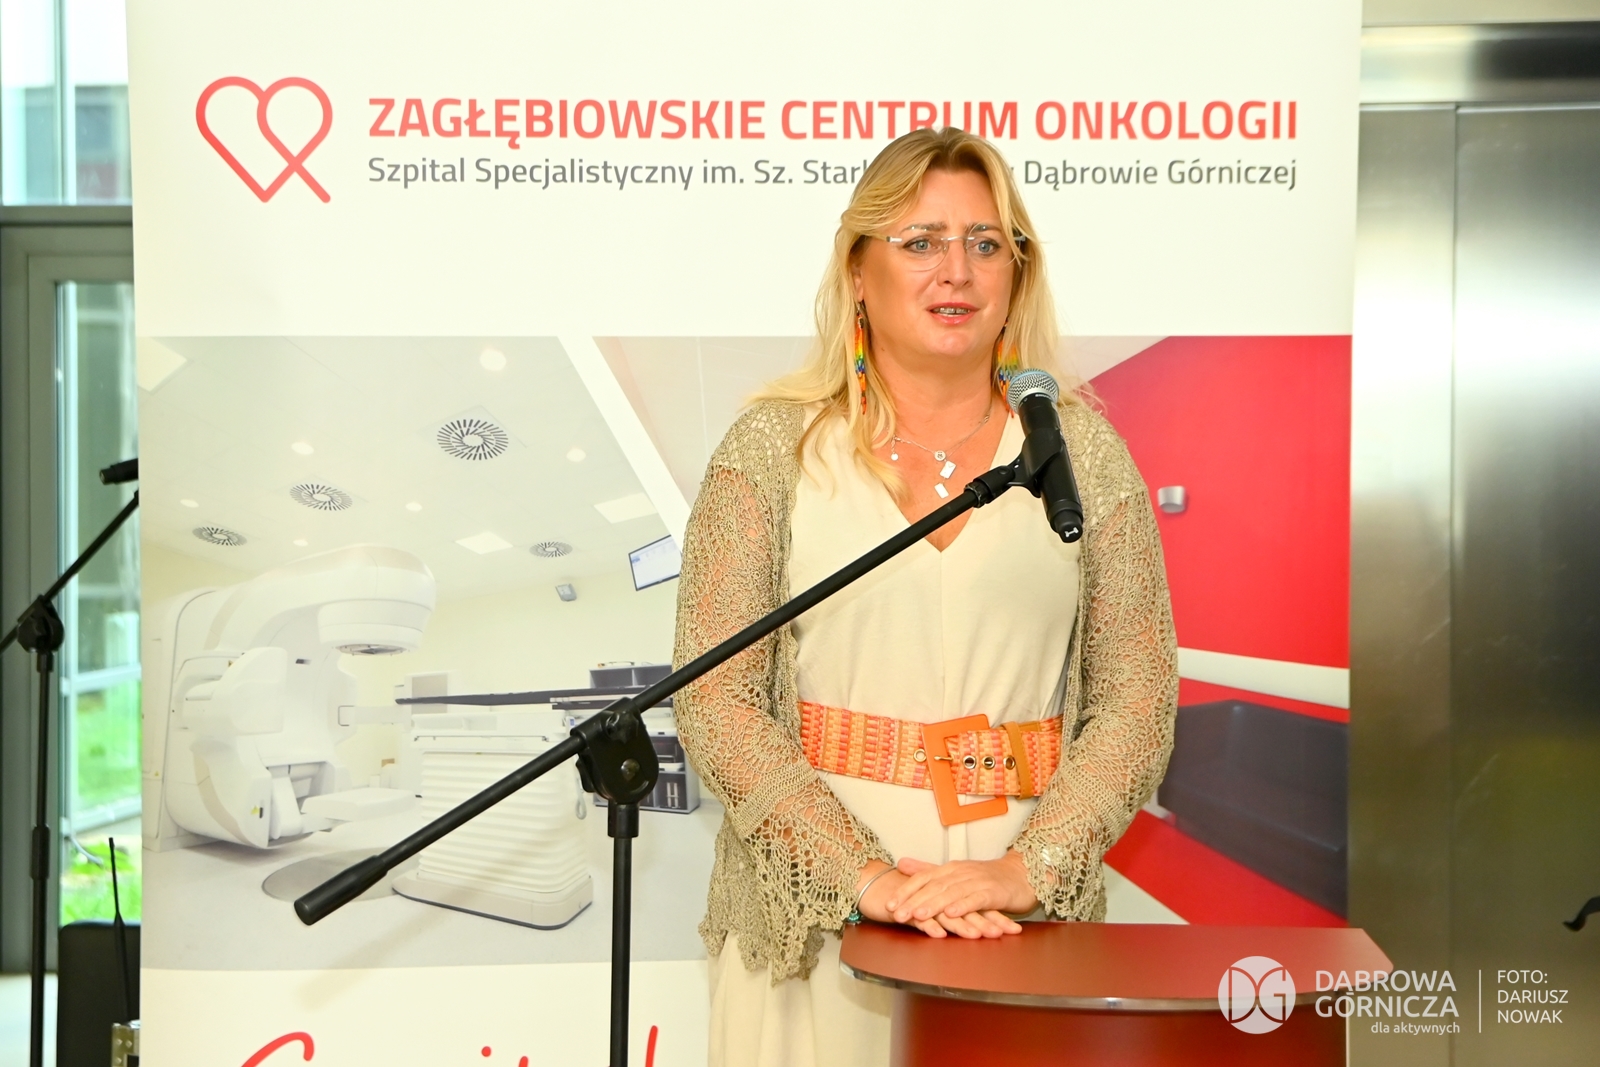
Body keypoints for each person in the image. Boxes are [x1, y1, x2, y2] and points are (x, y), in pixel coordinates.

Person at [672, 126, 1178, 1067]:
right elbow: (717, 700)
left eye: (986, 243)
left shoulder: (1085, 453)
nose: (957, 269)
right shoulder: (771, 450)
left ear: (1016, 275)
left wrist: (1030, 868)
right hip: (816, 926)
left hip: (1019, 919)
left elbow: (1137, 697)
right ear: (857, 271)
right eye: (921, 242)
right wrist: (864, 877)